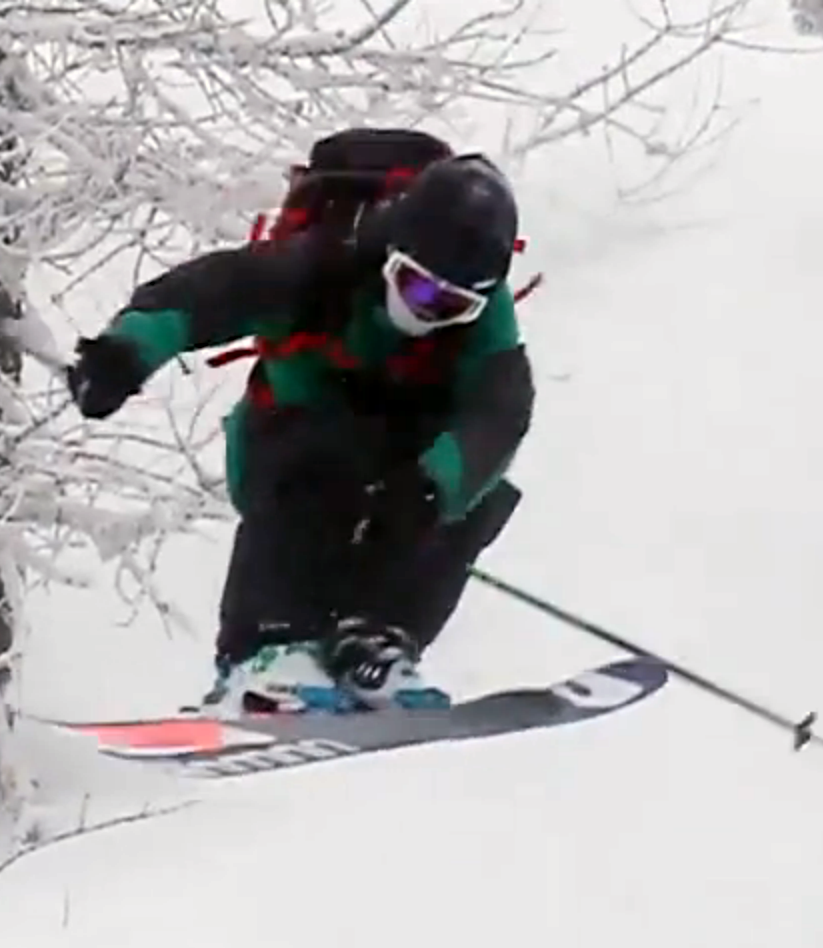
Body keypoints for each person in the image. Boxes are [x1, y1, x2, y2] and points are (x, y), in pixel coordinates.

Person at [64, 128, 536, 715]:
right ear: (391, 253)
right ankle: (266, 647)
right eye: (414, 285)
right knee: (327, 453)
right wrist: (126, 351)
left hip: (394, 465)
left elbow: (500, 409)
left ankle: (376, 640)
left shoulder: (487, 319)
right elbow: (212, 292)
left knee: (470, 496)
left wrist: (432, 487)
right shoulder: (328, 260)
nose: (426, 311)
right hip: (286, 450)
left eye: (452, 306)